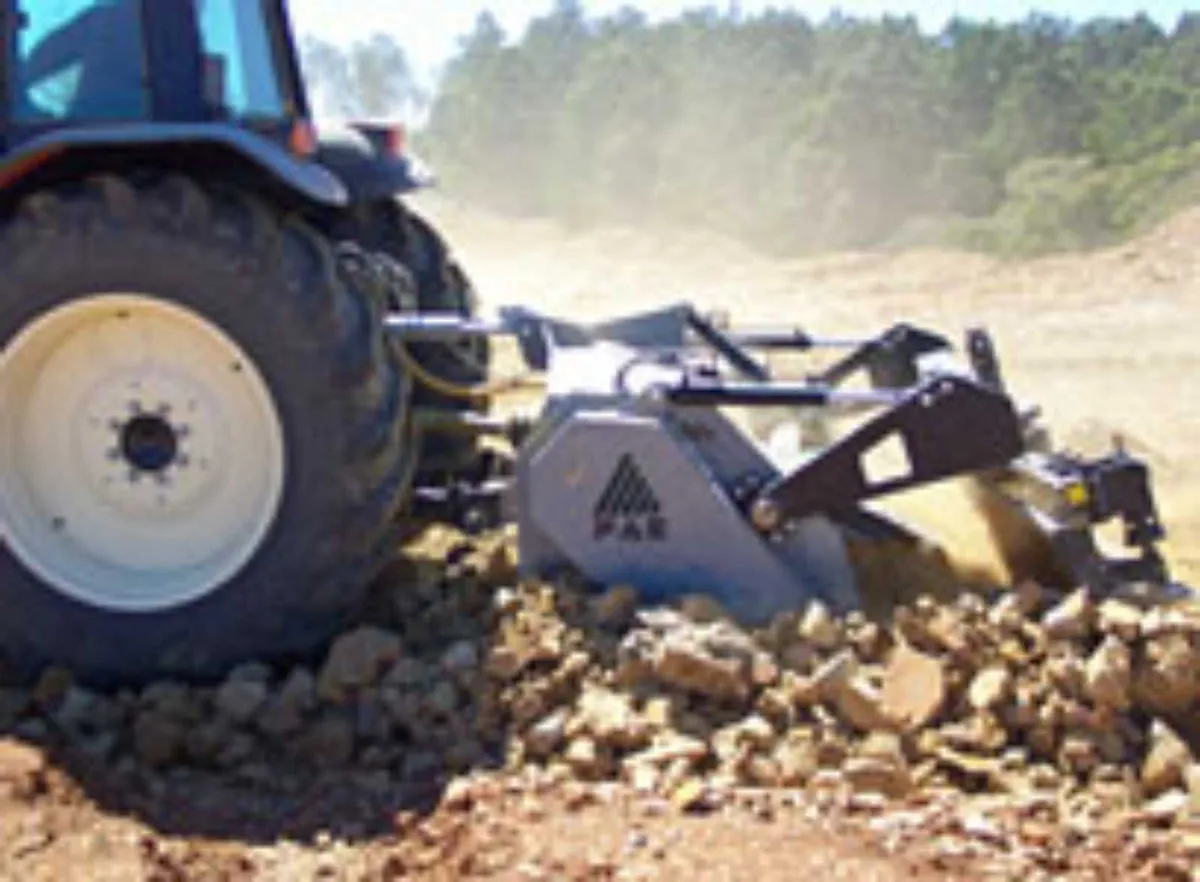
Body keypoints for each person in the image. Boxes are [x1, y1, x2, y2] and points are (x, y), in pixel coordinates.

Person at [19, 0, 146, 121]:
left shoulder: (104, 19)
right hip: (137, 123)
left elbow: (38, 63)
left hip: (92, 123)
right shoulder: (103, 20)